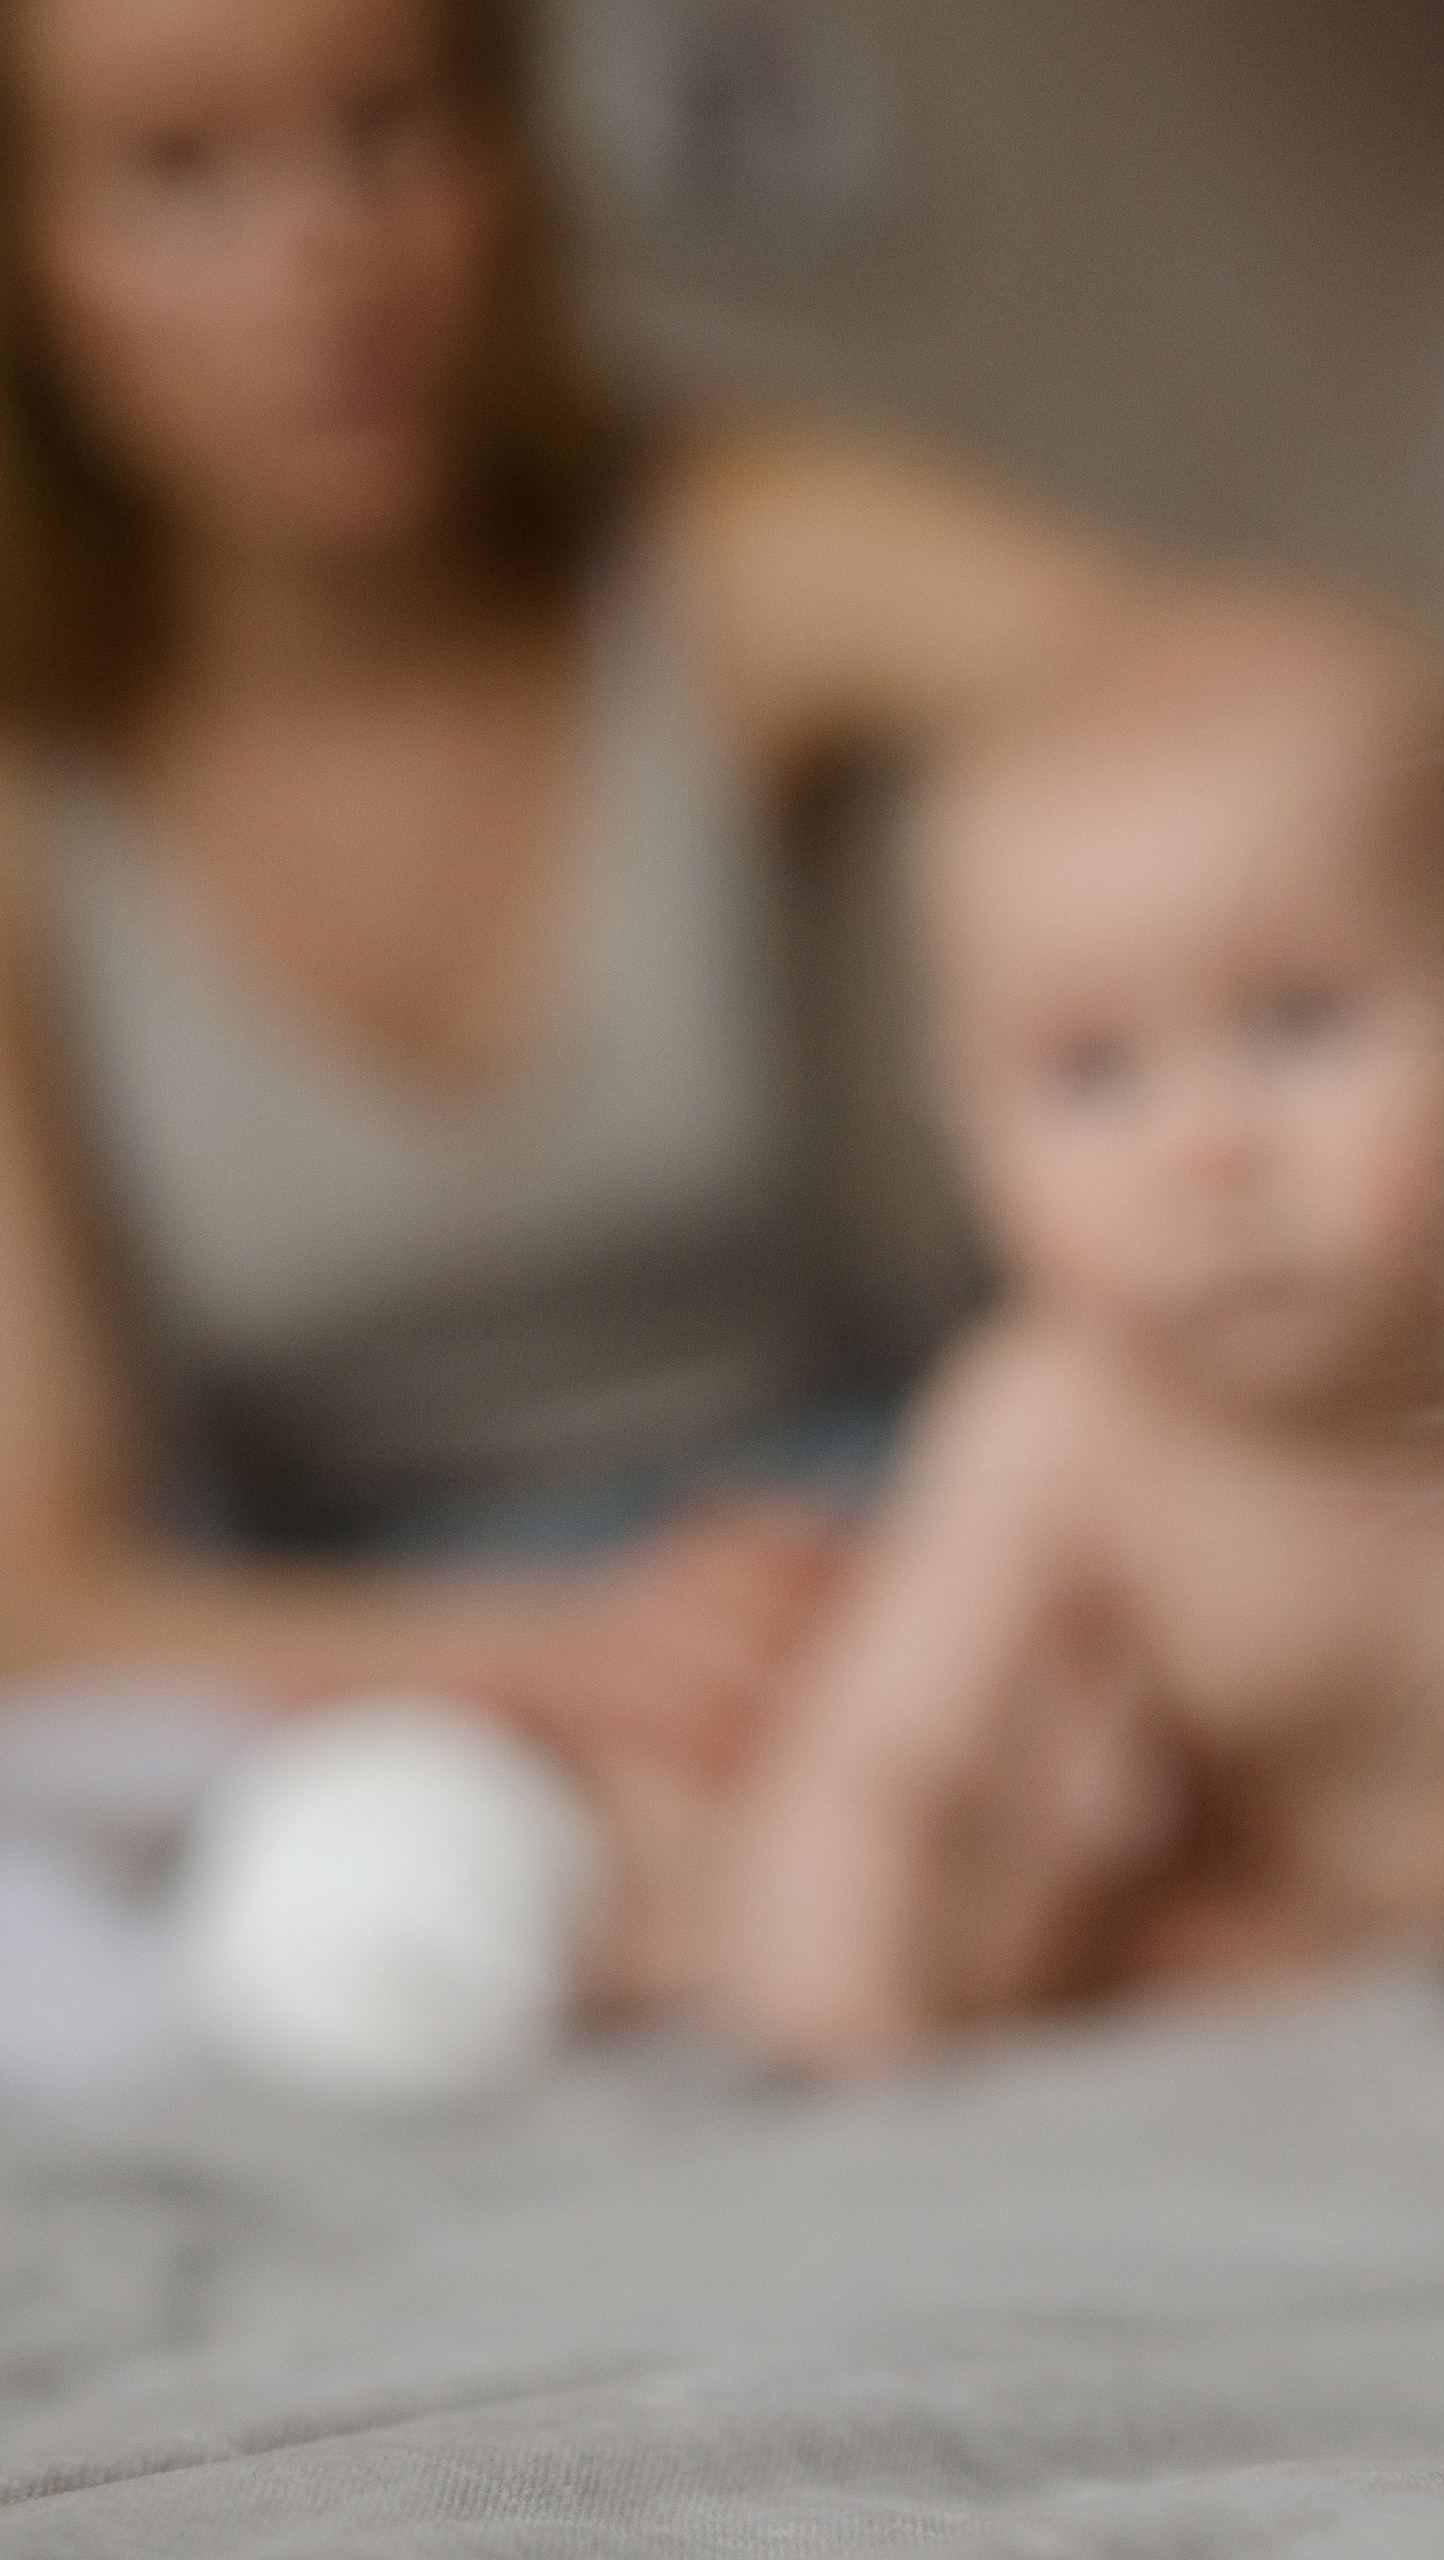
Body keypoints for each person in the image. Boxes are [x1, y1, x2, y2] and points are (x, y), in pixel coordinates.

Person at [0, 0, 1143, 1786]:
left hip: (814, 1524)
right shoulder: (29, 799)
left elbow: (1305, 734)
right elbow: (41, 1603)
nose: (328, 250)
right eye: (180, 172)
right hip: (335, 1653)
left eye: (388, 123)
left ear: (511, 148)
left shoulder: (724, 545)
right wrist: (555, 1660)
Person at [713, 586, 1444, 2068]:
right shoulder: (1056, 1419)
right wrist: (834, 2033)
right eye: (1093, 1073)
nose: (1204, 1152)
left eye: (1298, 1023)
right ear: (952, 1115)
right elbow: (886, 1772)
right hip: (1326, 1993)